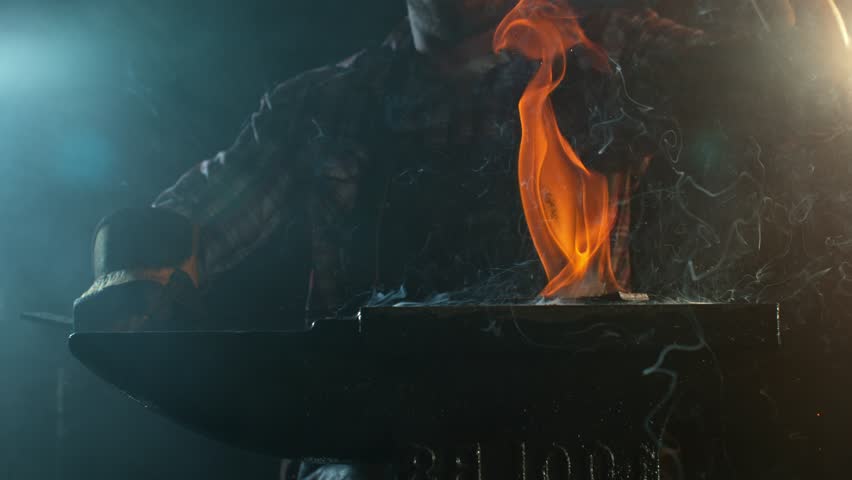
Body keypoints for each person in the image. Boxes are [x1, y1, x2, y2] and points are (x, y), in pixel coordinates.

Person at [72, 1, 818, 478]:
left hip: (584, 444)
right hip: (370, 452)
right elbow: (184, 218)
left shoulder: (603, 47)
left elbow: (771, 90)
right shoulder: (325, 104)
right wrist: (131, 279)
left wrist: (792, 40)